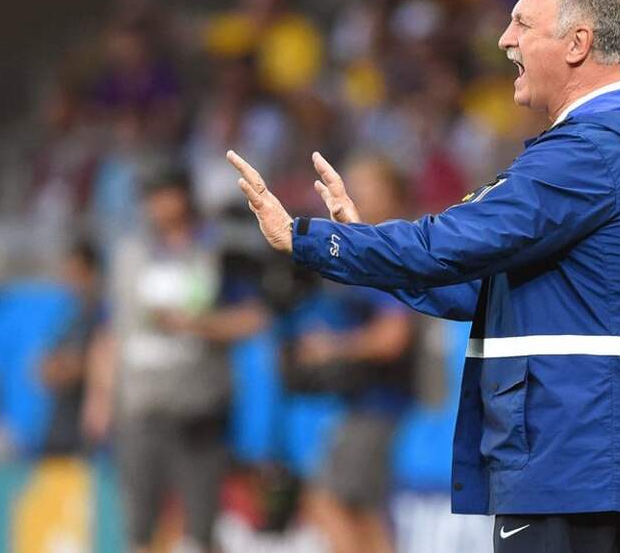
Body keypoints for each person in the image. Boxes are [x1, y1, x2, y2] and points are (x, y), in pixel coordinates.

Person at [227, 0, 620, 553]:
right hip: (596, 450)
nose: (504, 39)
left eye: (521, 24)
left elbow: (448, 245)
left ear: (577, 43)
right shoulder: (618, 148)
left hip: (570, 450)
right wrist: (359, 244)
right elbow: (477, 286)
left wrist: (305, 239)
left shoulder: (590, 153)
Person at [83, 169, 267, 553]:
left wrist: (199, 325)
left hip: (199, 404)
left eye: (166, 195)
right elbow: (110, 332)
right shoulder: (129, 254)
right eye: (150, 198)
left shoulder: (217, 251)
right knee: (139, 526)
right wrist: (100, 397)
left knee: (201, 524)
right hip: (140, 404)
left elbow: (254, 318)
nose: (158, 207)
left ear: (185, 197)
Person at [282, 156, 415, 553]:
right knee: (364, 510)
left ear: (392, 194)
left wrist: (333, 347)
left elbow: (394, 335)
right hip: (367, 403)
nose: (351, 192)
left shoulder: (392, 244)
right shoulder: (377, 244)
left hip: (380, 405)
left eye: (364, 185)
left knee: (329, 501)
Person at [39, 240, 103, 455]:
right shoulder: (67, 317)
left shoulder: (104, 316)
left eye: (77, 273)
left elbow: (99, 366)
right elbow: (44, 367)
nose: (70, 280)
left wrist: (72, 368)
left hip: (89, 428)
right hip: (61, 425)